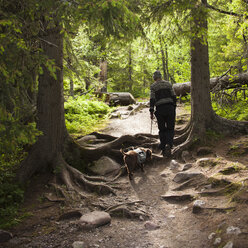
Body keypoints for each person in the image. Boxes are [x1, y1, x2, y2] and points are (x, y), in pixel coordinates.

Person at [149, 70, 177, 157]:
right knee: (170, 128)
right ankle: (169, 144)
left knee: (162, 129)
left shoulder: (153, 86)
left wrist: (151, 111)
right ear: (161, 76)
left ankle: (163, 147)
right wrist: (174, 106)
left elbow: (152, 99)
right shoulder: (168, 84)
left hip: (160, 109)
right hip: (170, 108)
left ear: (154, 78)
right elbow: (174, 95)